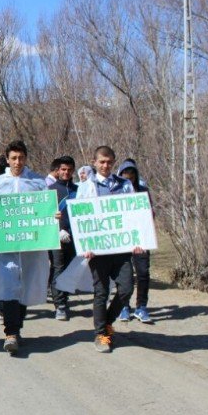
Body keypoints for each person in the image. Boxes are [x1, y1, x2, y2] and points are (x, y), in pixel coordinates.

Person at [0, 141, 55, 355]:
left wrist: (53, 218)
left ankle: (17, 327)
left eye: (21, 158)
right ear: (7, 159)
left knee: (25, 286)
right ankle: (11, 332)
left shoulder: (37, 182)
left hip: (31, 244)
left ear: (26, 158)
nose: (17, 162)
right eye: (13, 158)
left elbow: (46, 209)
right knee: (9, 284)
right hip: (5, 245)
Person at [76, 146, 144, 353]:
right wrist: (85, 245)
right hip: (98, 251)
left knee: (126, 288)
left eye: (109, 162)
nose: (105, 166)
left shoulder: (124, 185)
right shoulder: (86, 187)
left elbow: (134, 213)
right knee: (101, 292)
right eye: (102, 162)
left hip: (121, 248)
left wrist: (138, 240)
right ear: (94, 162)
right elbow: (80, 218)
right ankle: (101, 334)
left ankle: (106, 322)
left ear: (114, 163)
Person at [115, 158, 153, 323]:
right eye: (125, 175)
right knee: (125, 276)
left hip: (141, 239)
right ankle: (124, 306)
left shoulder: (142, 191)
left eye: (131, 175)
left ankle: (141, 307)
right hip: (122, 239)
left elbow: (150, 214)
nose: (128, 178)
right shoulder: (115, 192)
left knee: (143, 273)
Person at [48, 156, 78, 321]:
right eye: (63, 169)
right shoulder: (50, 190)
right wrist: (58, 230)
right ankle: (59, 305)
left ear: (73, 170)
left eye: (69, 170)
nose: (66, 172)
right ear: (58, 170)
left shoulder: (78, 189)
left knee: (70, 270)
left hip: (75, 237)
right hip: (56, 237)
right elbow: (45, 215)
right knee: (58, 269)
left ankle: (65, 300)